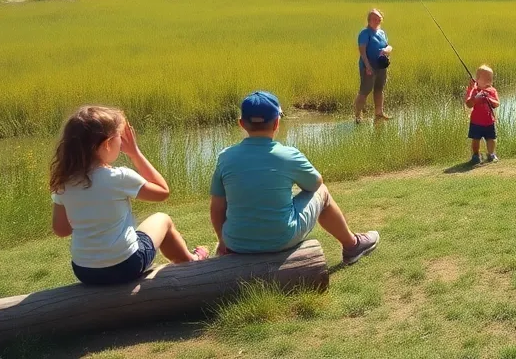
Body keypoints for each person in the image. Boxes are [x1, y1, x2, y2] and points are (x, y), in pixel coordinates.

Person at [210, 91, 379, 266]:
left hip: (236, 243)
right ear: (277, 123)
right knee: (323, 192)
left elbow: (216, 208)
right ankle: (352, 245)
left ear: (241, 123)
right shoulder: (289, 155)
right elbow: (315, 183)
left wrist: (223, 241)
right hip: (282, 239)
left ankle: (352, 245)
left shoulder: (225, 157)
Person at [50, 106, 208, 286]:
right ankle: (190, 260)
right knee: (162, 219)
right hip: (126, 265)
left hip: (85, 271)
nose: (122, 142)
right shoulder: (118, 177)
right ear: (107, 143)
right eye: (120, 137)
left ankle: (187, 259)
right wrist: (134, 152)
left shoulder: (63, 182)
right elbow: (162, 192)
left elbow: (61, 230)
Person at [355, 8, 392, 124]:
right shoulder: (364, 33)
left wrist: (386, 50)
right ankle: (357, 116)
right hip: (368, 67)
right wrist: (367, 66)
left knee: (379, 90)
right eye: (374, 19)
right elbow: (362, 52)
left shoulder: (382, 33)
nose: (377, 21)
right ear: (369, 20)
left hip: (381, 66)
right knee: (364, 91)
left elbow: (389, 46)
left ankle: (379, 113)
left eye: (379, 19)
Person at [465, 65, 500, 165]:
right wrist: (475, 97)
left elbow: (497, 103)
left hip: (489, 121)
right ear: (478, 79)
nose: (489, 81)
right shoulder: (473, 90)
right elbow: (468, 104)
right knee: (475, 140)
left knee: (491, 139)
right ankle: (476, 156)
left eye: (490, 78)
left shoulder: (492, 91)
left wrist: (488, 98)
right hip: (476, 121)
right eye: (486, 78)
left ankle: (491, 155)